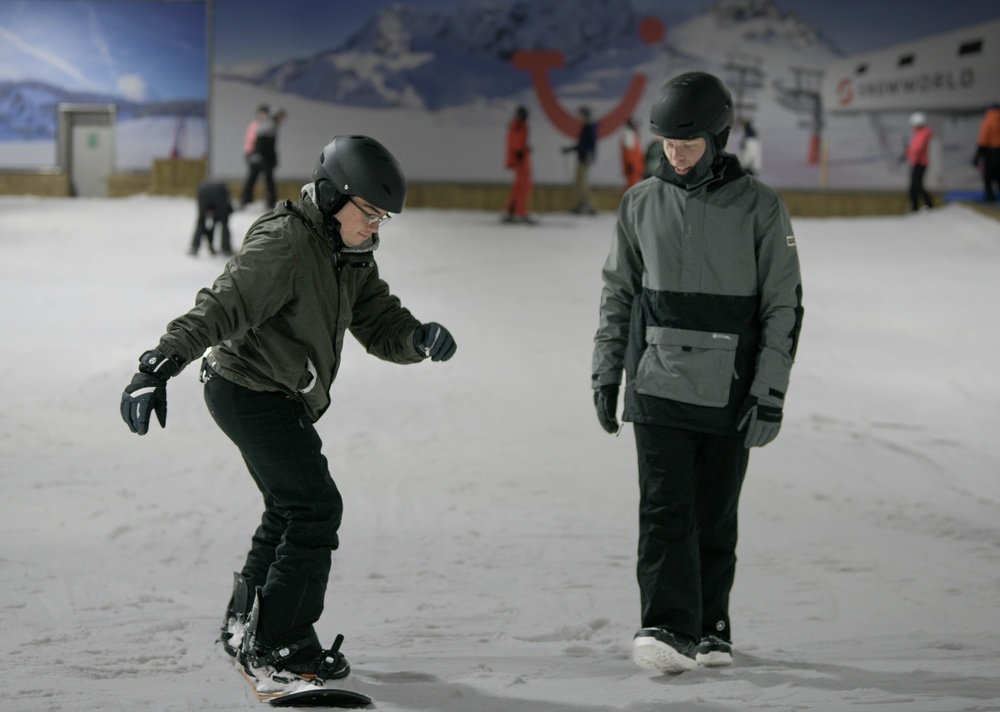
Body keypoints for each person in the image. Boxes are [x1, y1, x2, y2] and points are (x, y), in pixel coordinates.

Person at [120, 135, 457, 694]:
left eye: (382, 219)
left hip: (275, 392)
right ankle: (281, 644)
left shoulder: (348, 254)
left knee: (289, 505)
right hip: (248, 390)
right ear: (331, 197)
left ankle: (247, 618)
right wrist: (159, 364)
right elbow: (222, 304)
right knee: (315, 508)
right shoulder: (286, 244)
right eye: (369, 214)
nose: (374, 228)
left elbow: (378, 320)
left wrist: (417, 338)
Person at [591, 72, 803, 674]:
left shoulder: (760, 207)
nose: (676, 155)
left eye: (687, 145)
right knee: (663, 510)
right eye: (667, 145)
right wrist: (607, 373)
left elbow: (782, 306)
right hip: (655, 383)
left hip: (730, 389)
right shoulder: (639, 203)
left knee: (714, 514)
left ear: (718, 137)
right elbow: (618, 296)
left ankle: (710, 629)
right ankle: (665, 625)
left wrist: (769, 393)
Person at [240, 104, 277, 210]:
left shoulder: (267, 126)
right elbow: (250, 141)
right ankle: (245, 200)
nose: (263, 115)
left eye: (265, 113)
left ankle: (270, 202)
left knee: (268, 180)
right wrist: (250, 155)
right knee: (251, 179)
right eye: (262, 113)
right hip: (253, 155)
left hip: (264, 157)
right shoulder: (254, 125)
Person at [562, 106, 598, 214]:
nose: (579, 117)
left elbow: (589, 144)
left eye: (581, 115)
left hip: (585, 158)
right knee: (579, 182)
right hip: (583, 157)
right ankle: (582, 204)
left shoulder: (589, 127)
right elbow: (582, 144)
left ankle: (589, 206)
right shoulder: (586, 127)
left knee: (582, 183)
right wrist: (571, 149)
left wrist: (588, 155)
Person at [502, 105, 534, 223]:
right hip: (520, 160)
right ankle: (519, 212)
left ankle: (512, 211)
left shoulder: (520, 125)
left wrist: (524, 149)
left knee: (520, 186)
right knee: (522, 186)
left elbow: (517, 140)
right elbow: (513, 139)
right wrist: (519, 151)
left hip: (521, 158)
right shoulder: (518, 125)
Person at [189, 181, 234, 256]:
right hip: (218, 195)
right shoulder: (224, 192)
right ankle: (226, 249)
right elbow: (228, 208)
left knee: (201, 222)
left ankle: (195, 247)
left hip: (203, 193)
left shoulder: (206, 188)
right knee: (224, 223)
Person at [905, 112, 934, 211]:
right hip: (918, 162)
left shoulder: (922, 134)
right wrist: (908, 152)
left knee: (916, 186)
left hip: (919, 163)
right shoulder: (920, 133)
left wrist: (913, 158)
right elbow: (914, 148)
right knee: (916, 186)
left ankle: (922, 206)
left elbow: (918, 148)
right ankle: (917, 206)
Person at [973, 103, 1000, 202]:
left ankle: (990, 198)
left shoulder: (989, 119)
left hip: (991, 152)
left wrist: (977, 156)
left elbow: (983, 139)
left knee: (988, 178)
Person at [620, 117, 645, 190]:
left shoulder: (631, 134)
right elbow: (628, 152)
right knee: (632, 184)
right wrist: (631, 164)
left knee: (635, 183)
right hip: (633, 165)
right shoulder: (628, 134)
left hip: (635, 165)